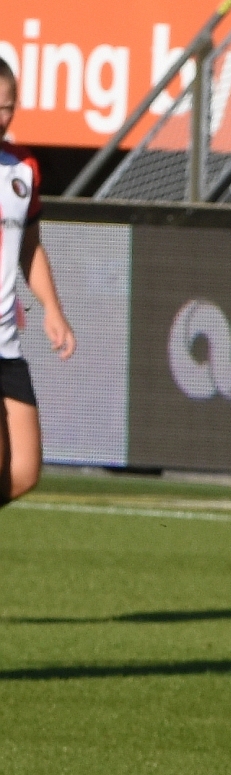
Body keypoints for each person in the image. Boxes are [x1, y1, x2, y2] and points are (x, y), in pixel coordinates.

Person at [0, 58, 76, 504]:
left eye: (7, 106)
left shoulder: (23, 168)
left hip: (7, 343)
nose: (1, 116)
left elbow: (29, 246)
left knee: (24, 471)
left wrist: (52, 308)